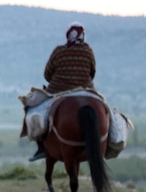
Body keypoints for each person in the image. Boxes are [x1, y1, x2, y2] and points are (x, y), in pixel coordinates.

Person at [29, 22, 97, 161]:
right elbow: (92, 72)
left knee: (34, 109)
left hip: (58, 91)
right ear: (83, 36)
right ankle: (107, 143)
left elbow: (47, 74)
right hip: (86, 90)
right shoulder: (88, 51)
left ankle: (41, 146)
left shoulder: (59, 51)